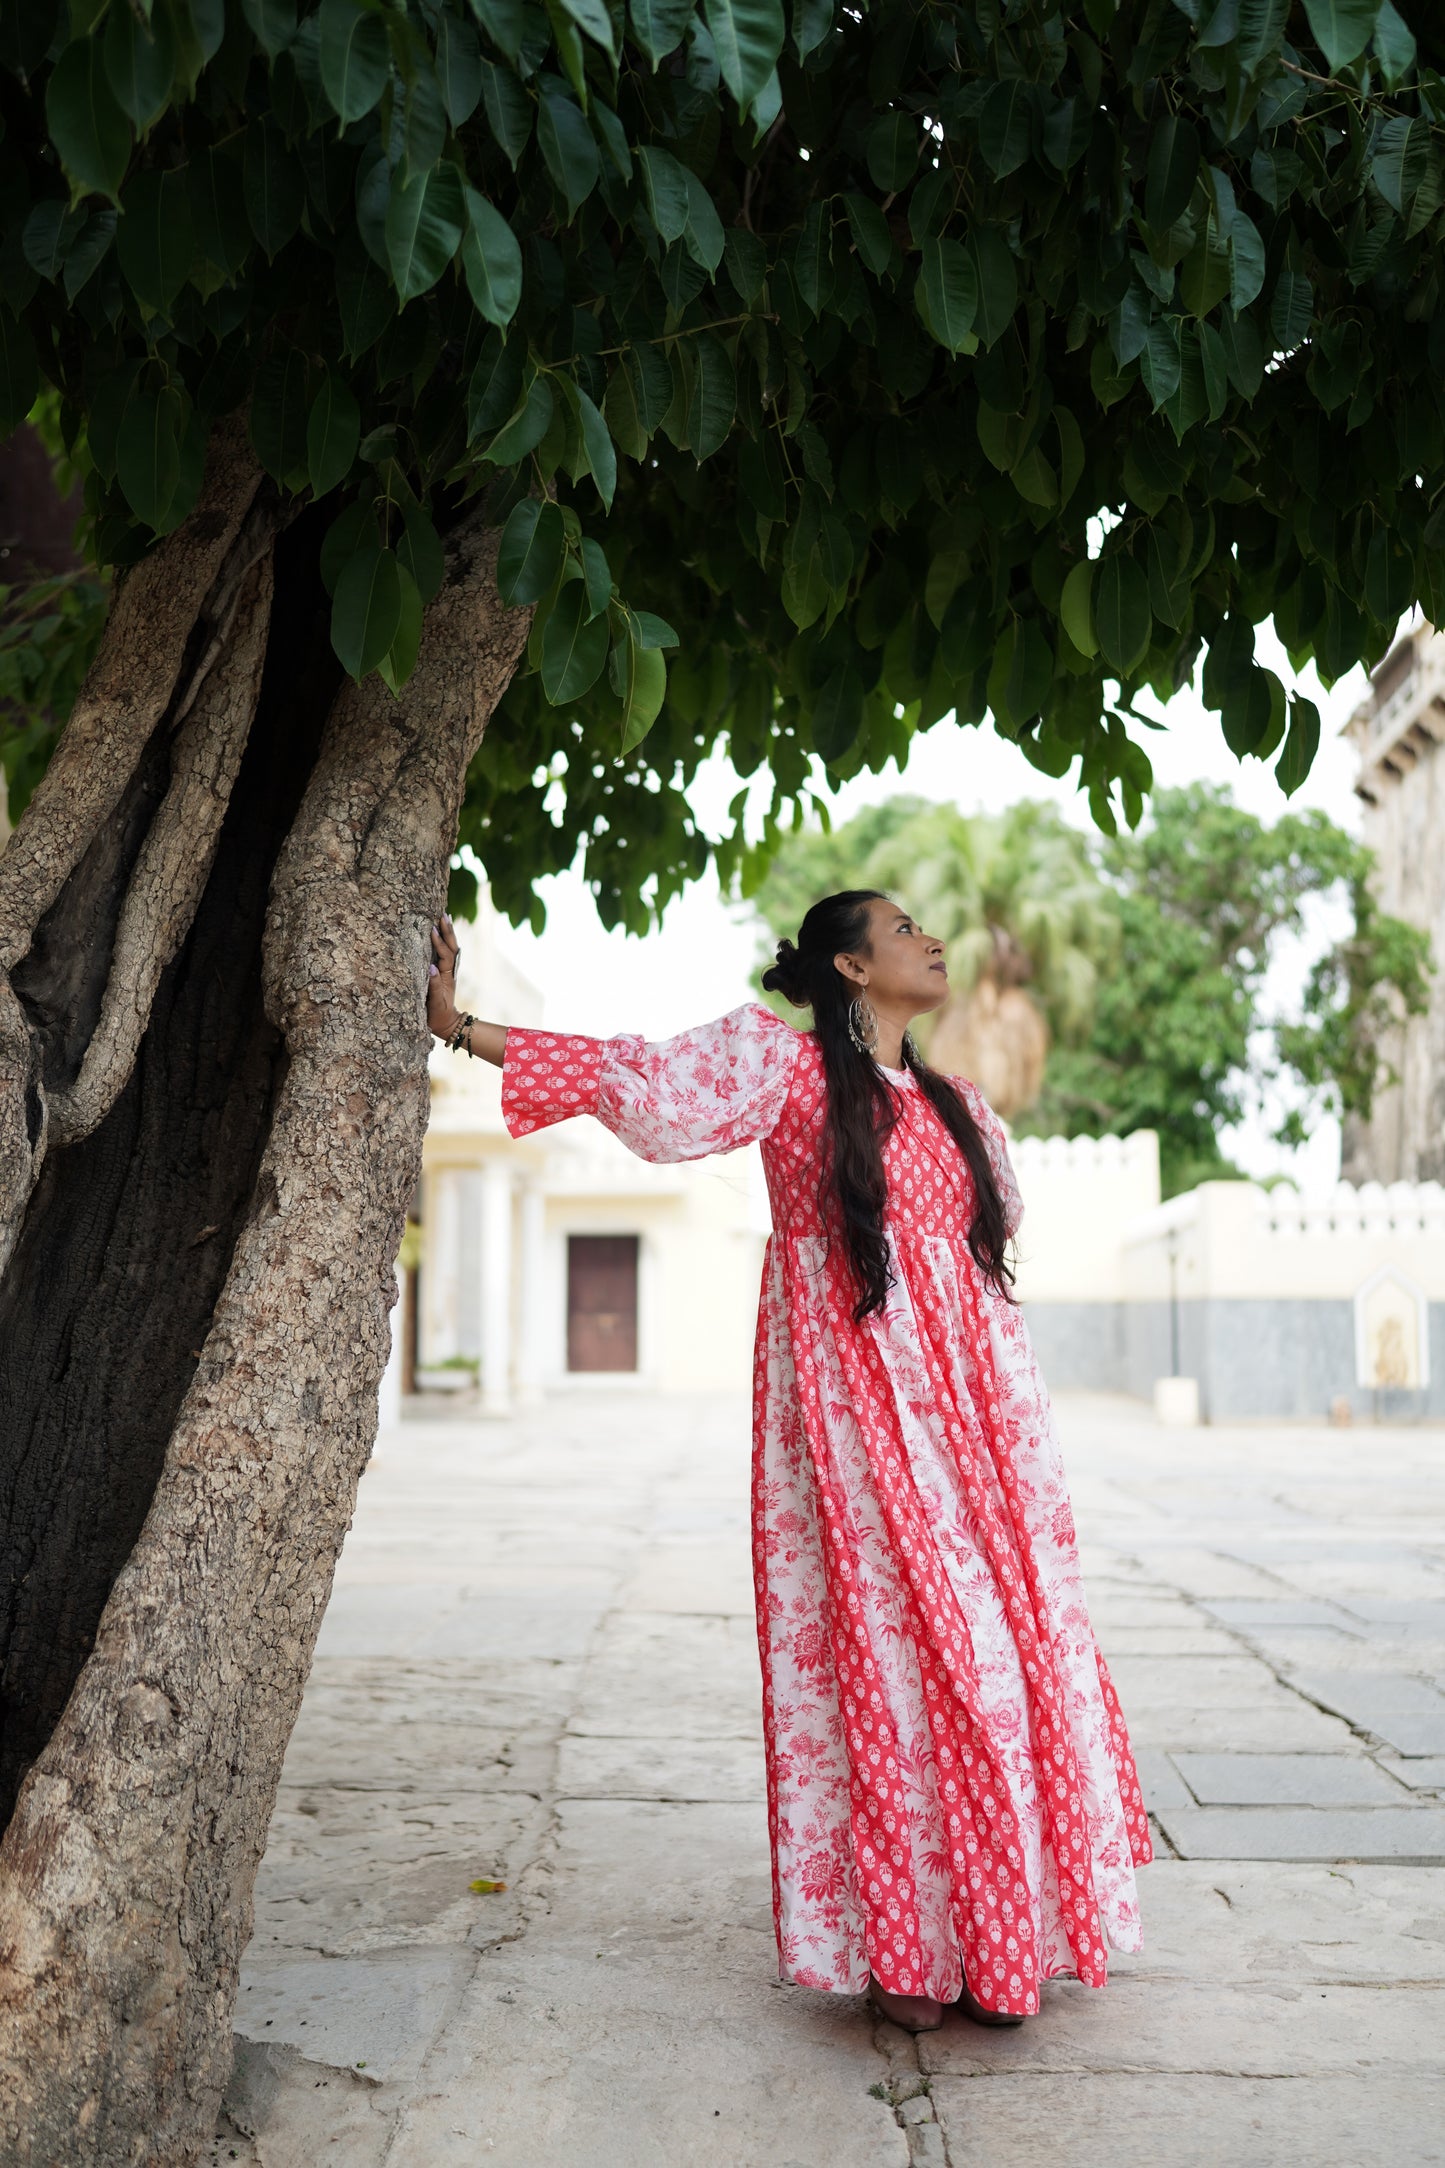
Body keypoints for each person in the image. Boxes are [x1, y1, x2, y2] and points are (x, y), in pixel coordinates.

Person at [426, 890, 1150, 2033]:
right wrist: (459, 1025)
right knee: (895, 1667)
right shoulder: (782, 1072)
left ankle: (1002, 1939)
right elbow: (635, 1076)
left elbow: (977, 1291)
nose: (929, 936)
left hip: (974, 1435)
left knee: (1004, 1662)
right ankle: (906, 1950)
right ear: (851, 966)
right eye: (900, 925)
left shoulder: (959, 1106)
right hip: (854, 1418)